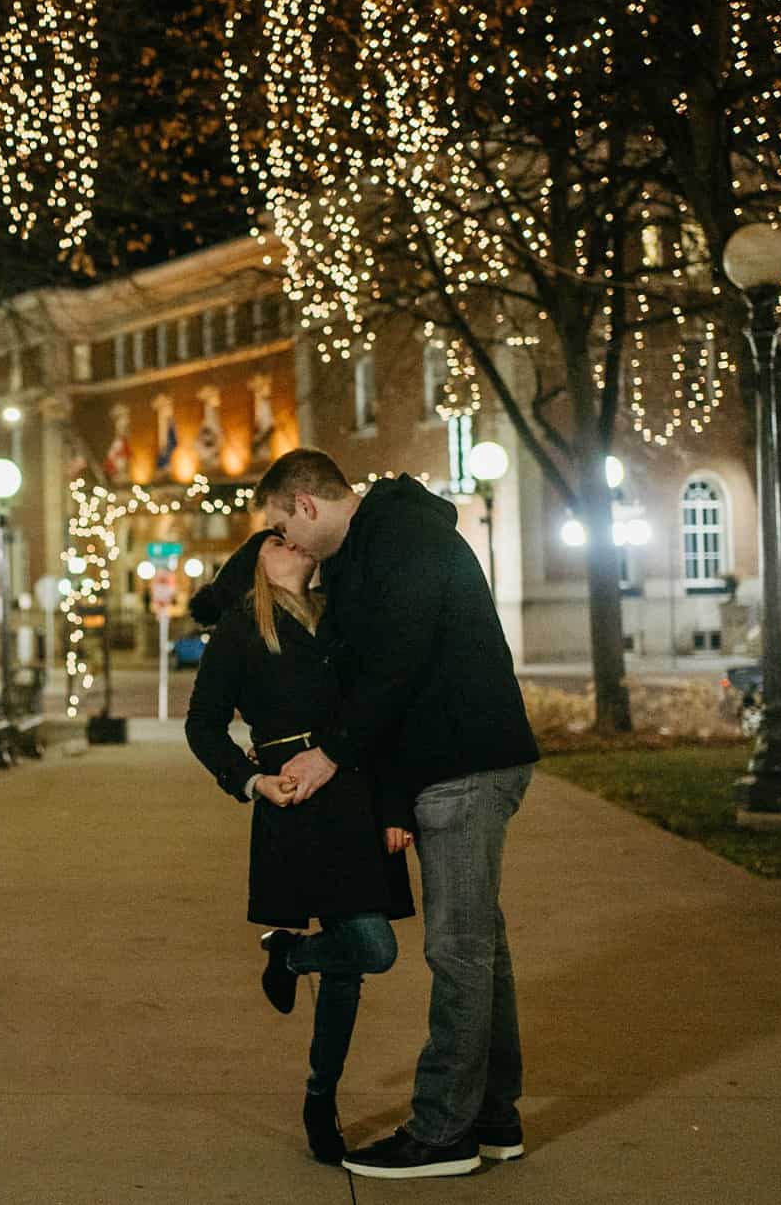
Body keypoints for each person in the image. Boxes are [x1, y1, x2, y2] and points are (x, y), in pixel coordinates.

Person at [256, 447, 540, 1181]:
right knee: (481, 946)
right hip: (446, 766)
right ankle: (493, 1116)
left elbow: (399, 659)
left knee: (458, 950)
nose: (286, 541)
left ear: (309, 504)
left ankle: (443, 1132)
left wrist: (332, 755)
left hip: (466, 762)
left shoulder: (403, 533)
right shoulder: (362, 558)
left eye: (284, 525)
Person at [185, 527, 415, 1166]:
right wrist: (251, 781)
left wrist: (397, 805)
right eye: (277, 541)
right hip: (299, 801)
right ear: (255, 566)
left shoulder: (342, 617)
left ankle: (320, 1095)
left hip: (360, 795)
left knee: (348, 968)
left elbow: (380, 713)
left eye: (294, 537)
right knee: (372, 949)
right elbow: (202, 725)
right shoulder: (240, 629)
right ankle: (288, 955)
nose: (293, 544)